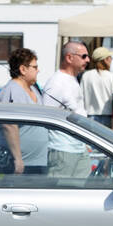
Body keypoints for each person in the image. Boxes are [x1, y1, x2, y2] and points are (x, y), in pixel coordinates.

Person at [40, 40, 90, 177]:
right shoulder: (56, 83)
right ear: (69, 58)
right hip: (62, 150)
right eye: (84, 56)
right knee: (60, 195)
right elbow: (45, 117)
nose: (88, 60)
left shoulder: (72, 79)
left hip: (79, 148)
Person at [0, 47, 48, 174]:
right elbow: (9, 125)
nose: (38, 70)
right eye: (35, 67)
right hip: (21, 165)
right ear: (23, 69)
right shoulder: (12, 90)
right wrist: (18, 159)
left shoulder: (33, 89)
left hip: (36, 162)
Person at [81, 46, 113, 129]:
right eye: (109, 57)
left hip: (89, 116)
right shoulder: (112, 77)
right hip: (108, 116)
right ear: (105, 59)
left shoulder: (86, 76)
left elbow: (81, 97)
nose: (111, 59)